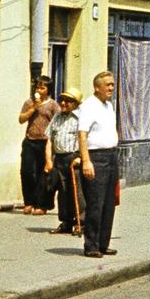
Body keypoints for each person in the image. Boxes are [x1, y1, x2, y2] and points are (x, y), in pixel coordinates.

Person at [75, 71, 120, 258]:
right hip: (96, 158)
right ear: (97, 87)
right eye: (107, 85)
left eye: (112, 84)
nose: (111, 88)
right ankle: (91, 245)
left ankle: (103, 243)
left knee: (110, 202)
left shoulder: (108, 106)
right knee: (96, 202)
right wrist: (86, 161)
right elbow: (82, 134)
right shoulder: (88, 106)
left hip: (111, 156)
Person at [44, 89, 83, 236]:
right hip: (59, 158)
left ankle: (81, 222)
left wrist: (81, 157)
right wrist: (48, 160)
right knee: (63, 192)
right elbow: (49, 139)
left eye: (68, 101)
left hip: (74, 158)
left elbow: (86, 139)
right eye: (62, 99)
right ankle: (66, 222)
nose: (63, 103)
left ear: (76, 104)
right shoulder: (57, 117)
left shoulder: (80, 118)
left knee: (77, 192)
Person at [18, 76, 58, 215]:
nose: (39, 90)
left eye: (42, 88)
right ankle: (28, 202)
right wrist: (33, 108)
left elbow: (57, 122)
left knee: (43, 174)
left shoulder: (52, 105)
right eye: (37, 87)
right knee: (27, 171)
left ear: (48, 90)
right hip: (30, 140)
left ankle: (41, 204)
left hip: (44, 142)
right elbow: (21, 119)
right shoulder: (30, 102)